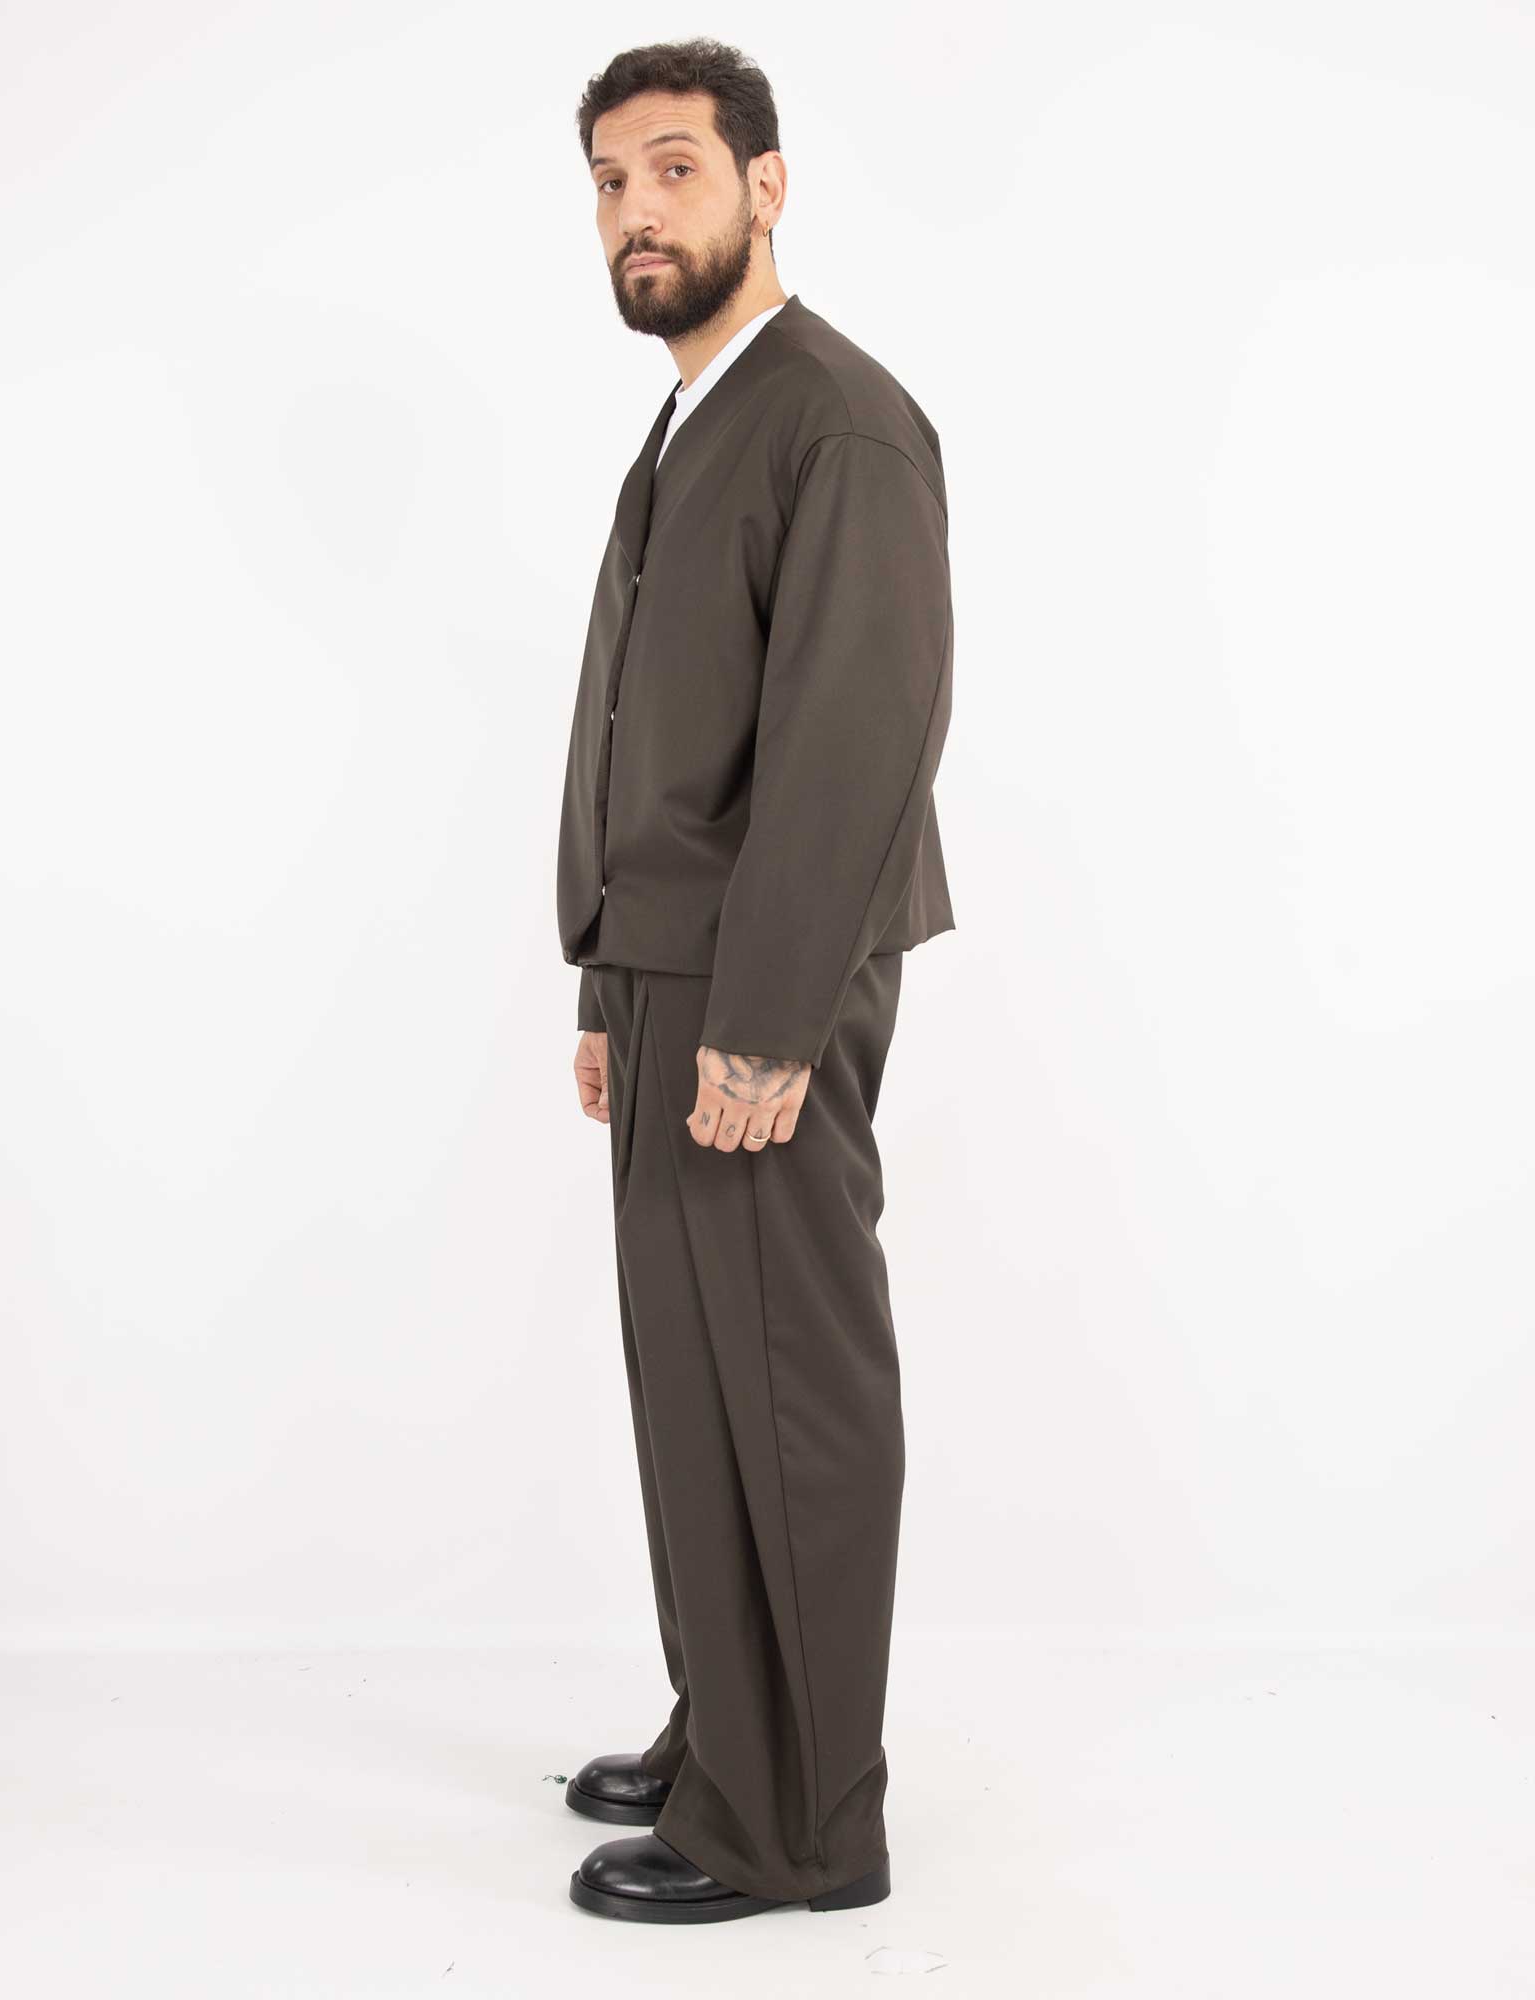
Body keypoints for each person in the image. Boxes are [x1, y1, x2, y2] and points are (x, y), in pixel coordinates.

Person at [556, 37, 956, 1926]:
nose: (637, 212)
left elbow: (854, 738)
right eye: (609, 184)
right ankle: (732, 1722)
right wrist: (602, 973)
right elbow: (641, 726)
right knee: (692, 1385)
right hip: (667, 976)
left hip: (758, 993)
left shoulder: (837, 422)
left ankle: (799, 1822)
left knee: (786, 1382)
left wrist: (769, 1018)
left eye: (674, 170)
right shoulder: (688, 423)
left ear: (764, 187)